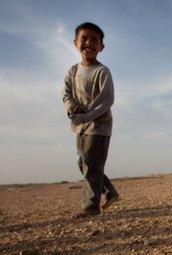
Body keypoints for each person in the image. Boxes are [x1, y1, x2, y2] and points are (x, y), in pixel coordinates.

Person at [62, 22, 120, 218]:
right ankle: (109, 191)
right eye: (84, 39)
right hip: (80, 126)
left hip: (99, 126)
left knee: (91, 164)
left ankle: (90, 207)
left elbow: (106, 100)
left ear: (101, 47)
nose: (88, 43)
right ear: (75, 43)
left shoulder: (102, 72)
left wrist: (87, 115)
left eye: (94, 40)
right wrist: (71, 107)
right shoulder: (73, 71)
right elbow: (66, 94)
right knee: (83, 162)